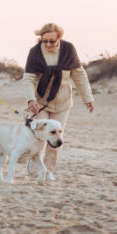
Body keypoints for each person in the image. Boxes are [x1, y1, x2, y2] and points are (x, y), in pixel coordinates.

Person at [22, 23, 95, 180]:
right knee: (39, 135)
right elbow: (29, 78)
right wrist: (30, 99)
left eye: (52, 41)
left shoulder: (68, 50)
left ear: (59, 39)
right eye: (44, 41)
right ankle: (34, 158)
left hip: (62, 102)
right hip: (41, 101)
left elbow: (79, 75)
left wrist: (87, 98)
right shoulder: (35, 52)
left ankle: (48, 171)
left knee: (55, 137)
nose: (48, 44)